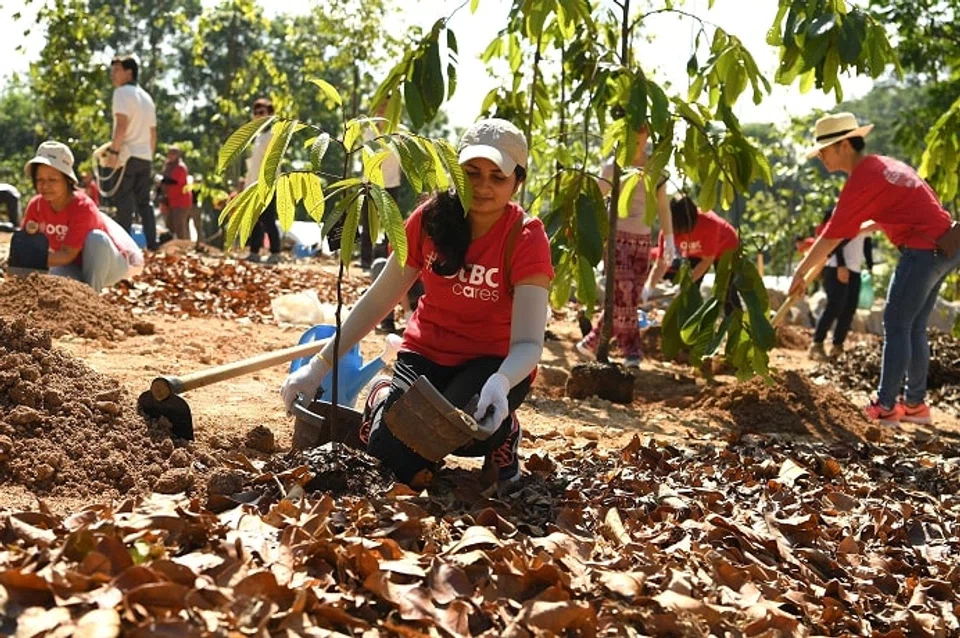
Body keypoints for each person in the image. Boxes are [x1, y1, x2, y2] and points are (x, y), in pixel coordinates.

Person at [281, 118, 554, 487]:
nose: (483, 186)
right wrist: (317, 367)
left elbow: (527, 344)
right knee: (395, 459)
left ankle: (503, 434)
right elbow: (380, 298)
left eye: (498, 177)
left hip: (492, 363)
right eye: (472, 173)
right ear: (456, 172)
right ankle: (383, 397)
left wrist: (502, 383)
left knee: (457, 430)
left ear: (517, 181)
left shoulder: (525, 236)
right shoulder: (429, 221)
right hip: (426, 353)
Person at [789, 112, 959, 426]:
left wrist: (800, 271)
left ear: (842, 145)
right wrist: (861, 227)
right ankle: (915, 405)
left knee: (895, 324)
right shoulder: (884, 166)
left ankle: (885, 405)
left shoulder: (862, 179)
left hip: (922, 251)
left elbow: (830, 237)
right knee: (913, 326)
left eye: (824, 150)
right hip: (947, 246)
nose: (821, 158)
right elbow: (899, 211)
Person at [577, 126, 676, 367]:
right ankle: (632, 350)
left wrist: (669, 240)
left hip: (643, 240)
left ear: (648, 135)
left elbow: (662, 207)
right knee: (625, 291)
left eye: (641, 133)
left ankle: (591, 342)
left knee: (627, 299)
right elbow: (594, 196)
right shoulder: (614, 167)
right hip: (616, 238)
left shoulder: (656, 169)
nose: (637, 138)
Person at [22, 141, 143, 291]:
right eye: (40, 180)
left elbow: (67, 254)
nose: (45, 186)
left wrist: (29, 258)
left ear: (67, 180)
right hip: (71, 266)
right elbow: (25, 244)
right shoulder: (36, 206)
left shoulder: (82, 207)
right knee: (53, 282)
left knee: (96, 238)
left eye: (52, 180)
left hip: (108, 265)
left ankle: (92, 300)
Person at [644, 195, 740, 311]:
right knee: (689, 293)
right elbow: (661, 263)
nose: (683, 234)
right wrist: (649, 287)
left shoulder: (709, 223)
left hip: (725, 246)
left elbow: (707, 260)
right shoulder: (667, 231)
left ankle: (735, 323)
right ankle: (689, 324)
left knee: (725, 290)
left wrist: (684, 285)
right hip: (695, 252)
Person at [103, 54, 158, 250]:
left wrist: (114, 153)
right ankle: (153, 244)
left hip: (127, 156)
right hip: (145, 157)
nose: (113, 75)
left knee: (124, 200)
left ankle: (123, 246)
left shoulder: (121, 93)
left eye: (117, 70)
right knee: (145, 203)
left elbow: (121, 125)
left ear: (129, 72)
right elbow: (153, 133)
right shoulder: (147, 98)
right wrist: (149, 156)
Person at [808, 206, 874, 360]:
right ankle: (816, 344)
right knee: (834, 307)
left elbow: (867, 242)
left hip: (855, 269)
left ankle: (837, 346)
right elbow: (835, 239)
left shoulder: (866, 216)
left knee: (849, 309)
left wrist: (870, 266)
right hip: (835, 267)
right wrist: (841, 265)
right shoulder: (843, 210)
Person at [245, 97, 282, 264]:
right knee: (255, 220)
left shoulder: (273, 134)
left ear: (270, 114)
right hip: (253, 184)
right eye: (256, 113)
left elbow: (273, 161)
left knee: (268, 219)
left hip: (267, 184)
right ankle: (254, 251)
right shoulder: (259, 136)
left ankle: (275, 252)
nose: (258, 116)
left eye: (262, 112)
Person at [160, 146, 192, 239]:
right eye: (169, 153)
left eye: (173, 154)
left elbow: (174, 182)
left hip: (181, 202)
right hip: (171, 202)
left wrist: (161, 181)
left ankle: (184, 248)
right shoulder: (167, 166)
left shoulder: (180, 167)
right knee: (169, 226)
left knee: (179, 226)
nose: (171, 156)